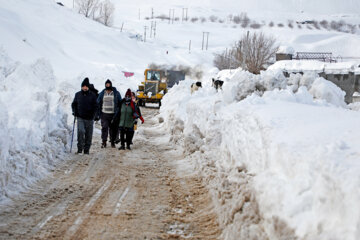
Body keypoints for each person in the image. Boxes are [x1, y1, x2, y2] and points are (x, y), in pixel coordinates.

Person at [71, 78, 98, 154]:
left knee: (88, 135)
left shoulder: (92, 95)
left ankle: (86, 150)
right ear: (81, 87)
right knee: (81, 131)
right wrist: (74, 111)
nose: (85, 88)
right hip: (80, 117)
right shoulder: (78, 94)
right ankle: (80, 149)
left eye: (86, 86)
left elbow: (96, 106)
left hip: (90, 118)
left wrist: (94, 114)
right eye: (83, 86)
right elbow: (74, 104)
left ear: (88, 87)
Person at [97, 79, 122, 148]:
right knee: (104, 128)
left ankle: (112, 142)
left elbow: (120, 102)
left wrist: (119, 112)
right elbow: (98, 102)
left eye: (108, 84)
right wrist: (98, 113)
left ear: (111, 84)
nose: (107, 85)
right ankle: (104, 142)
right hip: (104, 114)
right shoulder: (102, 93)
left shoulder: (116, 93)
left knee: (113, 129)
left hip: (113, 114)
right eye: (106, 84)